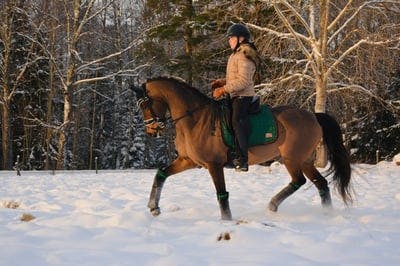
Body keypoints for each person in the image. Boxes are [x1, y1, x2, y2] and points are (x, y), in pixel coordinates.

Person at [212, 23, 260, 172]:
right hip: (234, 95)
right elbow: (236, 78)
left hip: (243, 96)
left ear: (241, 38)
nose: (229, 41)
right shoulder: (235, 54)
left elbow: (244, 81)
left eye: (231, 38)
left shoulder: (245, 54)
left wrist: (223, 89)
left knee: (236, 120)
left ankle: (243, 159)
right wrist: (223, 82)